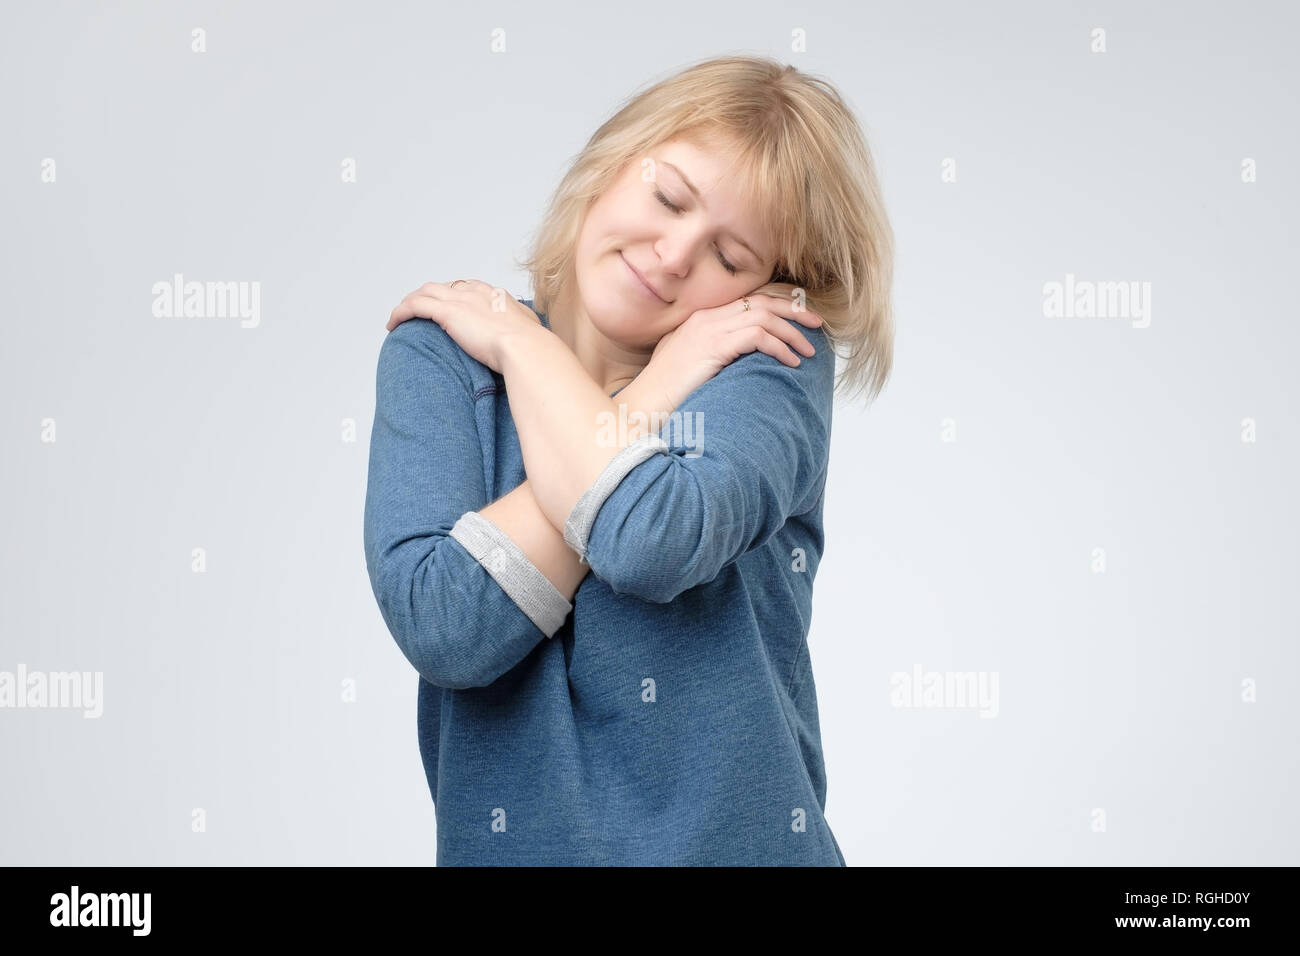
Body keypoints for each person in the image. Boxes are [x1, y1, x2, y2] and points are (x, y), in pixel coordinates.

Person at [363, 54, 894, 865]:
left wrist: (518, 342)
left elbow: (649, 540)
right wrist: (647, 388)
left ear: (767, 289)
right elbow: (447, 627)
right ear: (607, 166)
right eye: (669, 197)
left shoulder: (765, 359)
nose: (677, 254)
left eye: (731, 258)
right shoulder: (444, 359)